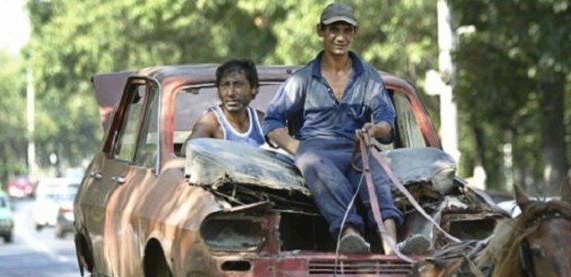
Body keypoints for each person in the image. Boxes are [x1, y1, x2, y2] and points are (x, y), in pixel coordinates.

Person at [262, 2, 428, 255]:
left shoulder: (369, 77)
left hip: (357, 147)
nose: (340, 37)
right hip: (316, 150)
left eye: (346, 30)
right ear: (320, 31)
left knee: (375, 176)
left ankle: (392, 247)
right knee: (318, 168)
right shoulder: (302, 79)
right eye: (333, 30)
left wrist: (374, 130)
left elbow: (386, 119)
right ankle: (351, 235)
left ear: (355, 33)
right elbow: (272, 120)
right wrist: (298, 149)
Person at [181, 59, 265, 155]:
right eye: (225, 85)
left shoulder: (260, 121)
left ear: (253, 88)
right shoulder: (212, 121)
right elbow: (188, 150)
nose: (230, 93)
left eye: (238, 85)